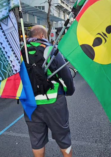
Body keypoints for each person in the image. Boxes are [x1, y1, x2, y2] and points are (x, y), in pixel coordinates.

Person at [23, 25, 75, 157]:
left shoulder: (20, 51)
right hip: (54, 102)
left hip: (30, 102)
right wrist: (69, 90)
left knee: (37, 139)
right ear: (42, 36)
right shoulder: (50, 50)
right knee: (63, 137)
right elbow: (66, 76)